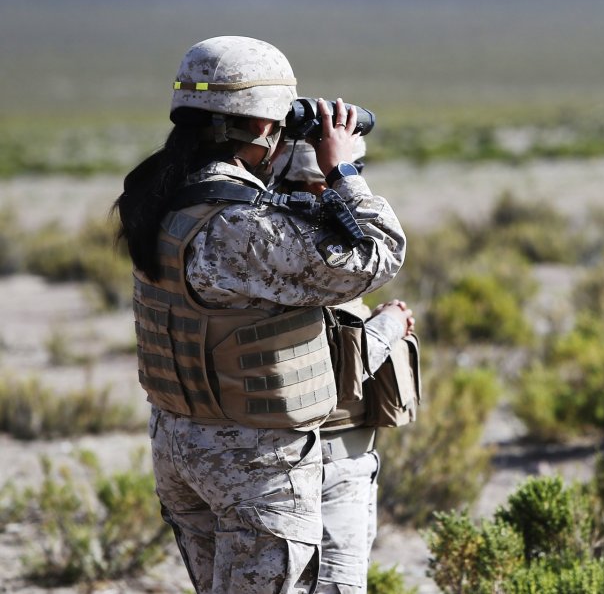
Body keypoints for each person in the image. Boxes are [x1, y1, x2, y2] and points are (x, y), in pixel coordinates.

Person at [114, 35, 406, 594]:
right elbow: (375, 255)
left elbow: (259, 245)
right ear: (264, 124)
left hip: (183, 443)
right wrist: (344, 171)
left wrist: (293, 167)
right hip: (251, 460)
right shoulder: (240, 230)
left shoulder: (163, 198)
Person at [272, 139, 420, 593]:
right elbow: (332, 377)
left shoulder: (262, 246)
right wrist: (390, 326)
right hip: (331, 459)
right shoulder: (312, 259)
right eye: (324, 184)